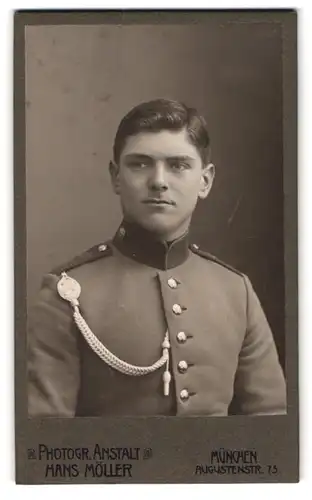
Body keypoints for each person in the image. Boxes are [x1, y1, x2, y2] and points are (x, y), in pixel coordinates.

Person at [27, 98, 286, 417]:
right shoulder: (66, 295)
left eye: (178, 165)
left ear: (204, 181)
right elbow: (46, 446)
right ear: (115, 178)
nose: (159, 181)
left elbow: (272, 427)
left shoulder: (236, 291)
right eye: (140, 164)